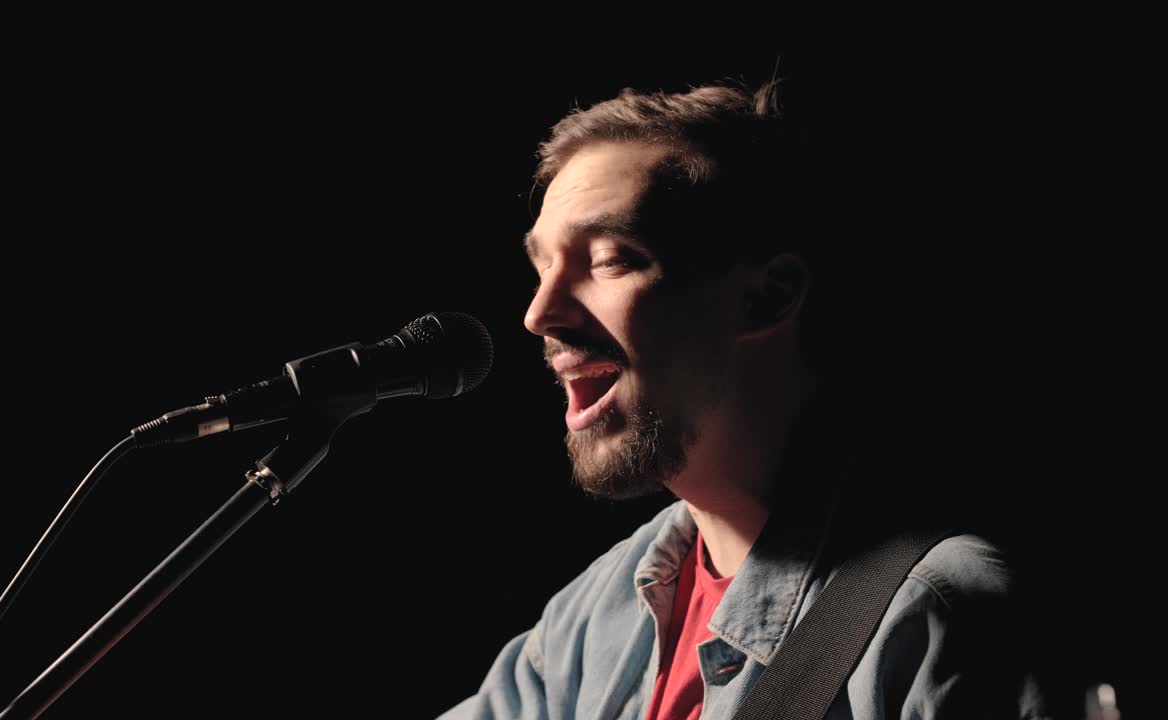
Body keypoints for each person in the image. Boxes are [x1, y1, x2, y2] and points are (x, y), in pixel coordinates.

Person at [441, 81, 1046, 719]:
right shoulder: (590, 621)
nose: (540, 314)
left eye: (611, 259)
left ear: (767, 296)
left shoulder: (936, 617)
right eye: (543, 268)